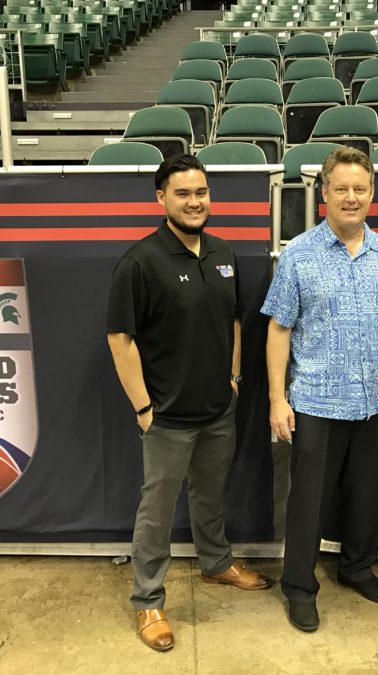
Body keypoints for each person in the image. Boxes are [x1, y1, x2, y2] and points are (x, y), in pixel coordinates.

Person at [106, 154, 272, 653]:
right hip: (167, 418)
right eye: (183, 193)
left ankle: (216, 562)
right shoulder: (140, 262)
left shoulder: (223, 254)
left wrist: (235, 379)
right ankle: (148, 600)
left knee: (209, 495)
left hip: (219, 409)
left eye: (201, 192)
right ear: (161, 198)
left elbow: (236, 322)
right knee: (156, 511)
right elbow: (120, 339)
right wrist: (143, 407)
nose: (194, 201)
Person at [261, 146, 378, 633]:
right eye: (342, 188)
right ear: (324, 193)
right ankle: (300, 588)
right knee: (308, 501)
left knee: (365, 495)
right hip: (315, 401)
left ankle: (356, 568)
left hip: (373, 399)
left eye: (360, 189)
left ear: (372, 194)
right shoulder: (298, 255)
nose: (351, 197)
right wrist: (276, 399)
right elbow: (279, 330)